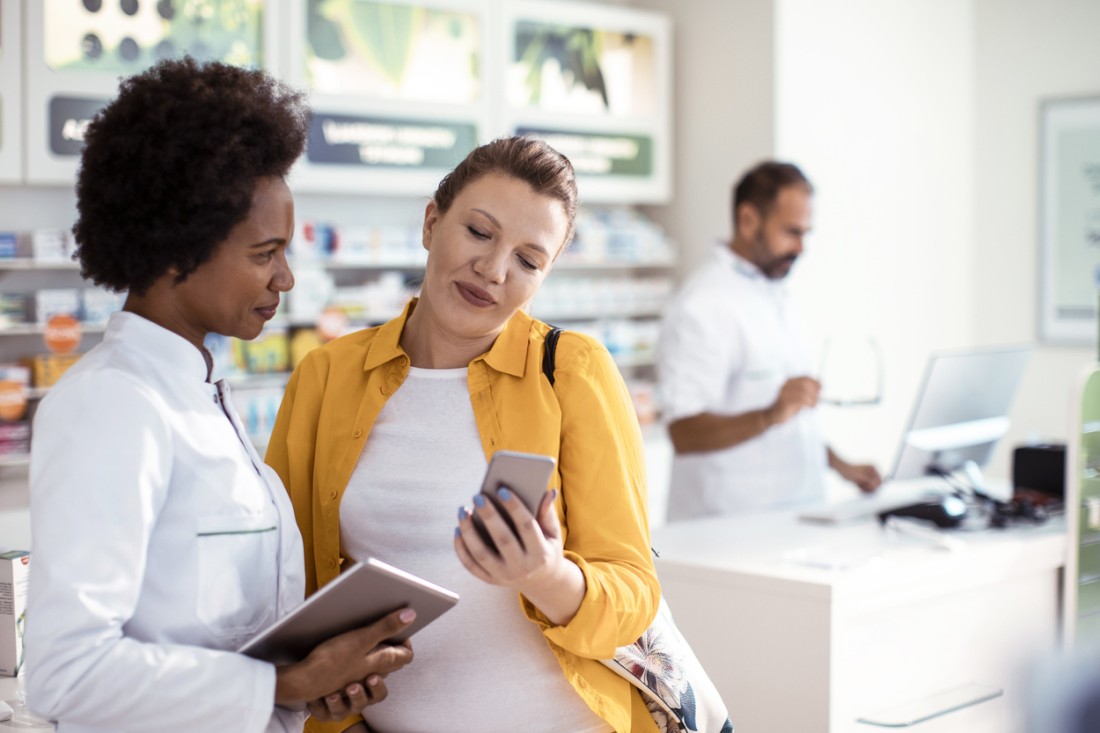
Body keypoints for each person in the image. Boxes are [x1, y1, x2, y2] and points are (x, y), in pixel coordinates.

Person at [24, 58, 415, 733]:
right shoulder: (112, 405)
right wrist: (279, 684)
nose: (285, 279)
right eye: (265, 253)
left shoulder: (201, 395)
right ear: (178, 250)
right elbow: (66, 672)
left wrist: (303, 686)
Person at [266, 136, 661, 733]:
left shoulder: (572, 370)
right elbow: (284, 583)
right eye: (479, 232)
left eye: (529, 261)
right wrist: (316, 682)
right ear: (431, 222)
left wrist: (544, 576)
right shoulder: (325, 376)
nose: (494, 270)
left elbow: (633, 593)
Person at [656, 160, 882, 521]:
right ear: (748, 220)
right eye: (792, 232)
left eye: (807, 233)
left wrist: (841, 466)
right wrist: (769, 415)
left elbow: (787, 415)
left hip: (796, 513)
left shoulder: (774, 294)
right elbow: (684, 432)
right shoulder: (702, 305)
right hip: (726, 528)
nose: (801, 247)